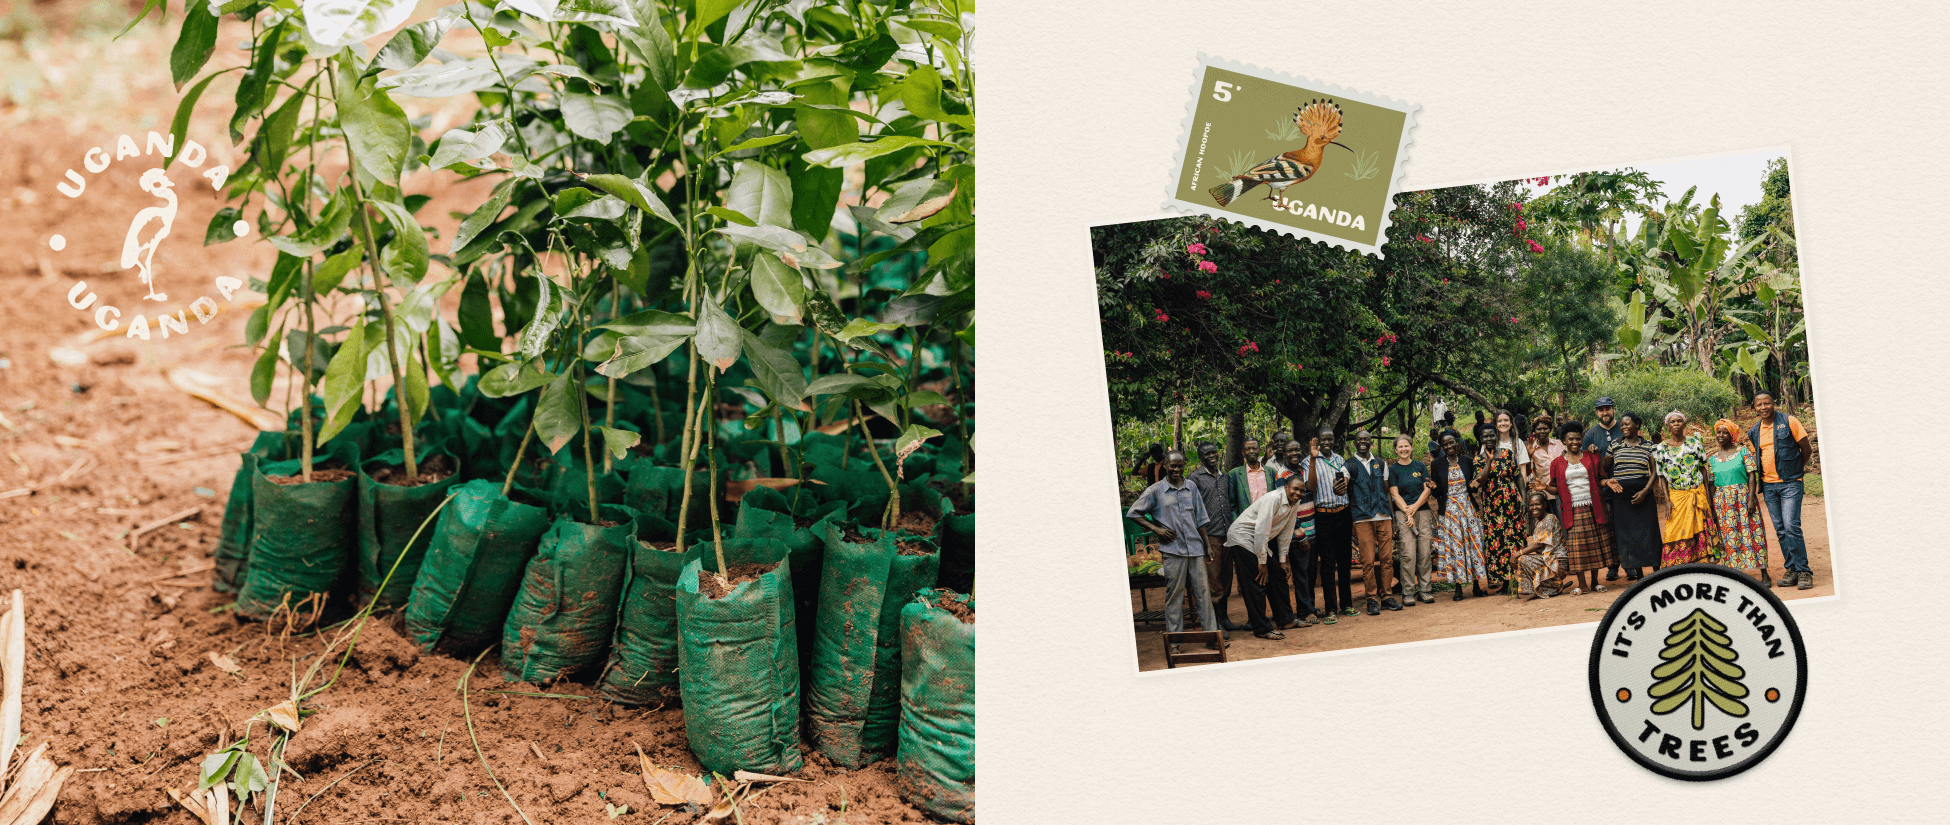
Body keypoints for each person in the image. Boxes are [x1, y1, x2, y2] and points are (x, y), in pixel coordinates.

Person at [1124, 450, 1222, 651]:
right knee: (1175, 596)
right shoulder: (1156, 490)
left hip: (1195, 548)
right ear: (1166, 466)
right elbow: (1133, 512)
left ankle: (1211, 638)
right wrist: (1156, 529)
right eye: (1173, 466)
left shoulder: (1191, 487)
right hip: (1173, 550)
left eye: (1180, 465)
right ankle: (1175, 643)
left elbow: (1200, 519)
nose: (1177, 469)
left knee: (1203, 594)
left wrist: (1207, 546)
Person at [1224, 474, 1311, 640]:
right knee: (1257, 582)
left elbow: (1286, 531)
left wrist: (1283, 560)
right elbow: (1261, 530)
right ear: (1286, 487)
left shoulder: (1295, 503)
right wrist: (1262, 562)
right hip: (1242, 538)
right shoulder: (1273, 499)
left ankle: (1286, 619)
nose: (1298, 493)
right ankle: (1261, 628)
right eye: (1295, 489)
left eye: (1301, 491)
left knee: (1278, 576)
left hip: (1258, 540)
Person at [1747, 392, 1815, 590]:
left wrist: (1795, 471)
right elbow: (1756, 459)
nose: (1763, 407)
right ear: (1755, 407)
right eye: (1759, 405)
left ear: (1773, 403)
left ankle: (1804, 572)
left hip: (1790, 483)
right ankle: (1791, 570)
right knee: (1781, 529)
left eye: (1767, 403)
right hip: (1768, 487)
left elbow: (1806, 449)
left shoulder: (1789, 421)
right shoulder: (1754, 432)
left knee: (1791, 526)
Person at [1549, 420, 1616, 595]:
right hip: (1572, 510)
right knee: (1577, 548)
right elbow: (1555, 488)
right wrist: (1544, 488)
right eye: (1571, 439)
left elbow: (1600, 478)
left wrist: (1607, 482)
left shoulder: (1591, 456)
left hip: (1594, 506)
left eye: (1578, 439)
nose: (1575, 442)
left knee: (1594, 545)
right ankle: (1582, 584)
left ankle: (1595, 582)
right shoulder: (1557, 463)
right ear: (1564, 441)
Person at [1652, 411, 1724, 566]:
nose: (1676, 424)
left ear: (1684, 424)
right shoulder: (1661, 447)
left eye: (1679, 421)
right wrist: (1667, 500)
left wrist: (1708, 498)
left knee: (1702, 529)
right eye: (1672, 422)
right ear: (1667, 426)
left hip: (1698, 494)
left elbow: (1703, 470)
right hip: (1677, 497)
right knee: (1674, 531)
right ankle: (1680, 567)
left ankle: (1705, 565)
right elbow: (1661, 476)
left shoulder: (1695, 442)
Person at [1430, 431, 1491, 599]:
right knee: (1454, 547)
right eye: (1445, 444)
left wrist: (1473, 485)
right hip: (1449, 511)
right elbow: (1437, 492)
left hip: (1468, 508)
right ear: (1441, 447)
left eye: (1451, 442)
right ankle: (1458, 588)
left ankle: (1477, 586)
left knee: (1473, 545)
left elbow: (1473, 487)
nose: (1449, 446)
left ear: (1457, 443)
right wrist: (1434, 488)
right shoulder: (1437, 464)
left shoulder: (1467, 461)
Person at [1187, 442, 1240, 633]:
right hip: (1210, 536)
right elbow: (1192, 509)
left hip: (1227, 535)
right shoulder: (1195, 479)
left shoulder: (1224, 476)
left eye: (1213, 453)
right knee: (1214, 581)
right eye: (1206, 454)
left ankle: (1225, 618)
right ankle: (1216, 623)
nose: (1211, 456)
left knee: (1226, 578)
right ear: (1200, 458)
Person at [1475, 410, 1529, 594]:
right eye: (1485, 437)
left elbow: (1518, 476)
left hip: (1511, 503)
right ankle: (1504, 583)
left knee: (1514, 540)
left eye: (1492, 436)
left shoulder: (1508, 453)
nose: (1489, 439)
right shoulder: (1479, 459)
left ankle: (1518, 579)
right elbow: (1480, 481)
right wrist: (1489, 461)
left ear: (1496, 436)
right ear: (1481, 440)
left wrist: (1524, 498)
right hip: (1492, 507)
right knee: (1497, 543)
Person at [1601, 412, 1661, 581]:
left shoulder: (1648, 445)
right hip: (1621, 496)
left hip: (1643, 494)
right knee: (1629, 536)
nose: (1623, 427)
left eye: (1627, 424)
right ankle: (1640, 577)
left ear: (1637, 425)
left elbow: (1654, 471)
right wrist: (1594, 452)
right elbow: (1604, 466)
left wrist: (1645, 491)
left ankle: (1657, 572)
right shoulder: (1615, 444)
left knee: (1650, 533)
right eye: (1622, 425)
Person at [1710, 419, 1771, 584]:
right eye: (1718, 432)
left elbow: (1751, 475)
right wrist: (1712, 508)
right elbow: (1711, 484)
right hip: (1723, 503)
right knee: (1729, 537)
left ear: (1732, 435)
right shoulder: (1712, 459)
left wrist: (1751, 498)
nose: (1721, 435)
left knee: (1754, 533)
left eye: (1725, 432)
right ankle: (1734, 575)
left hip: (1744, 499)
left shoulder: (1743, 452)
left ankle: (1764, 573)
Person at [1347, 429, 1400, 614]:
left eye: (1366, 439)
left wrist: (1392, 517)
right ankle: (1371, 599)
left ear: (1370, 442)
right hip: (1362, 518)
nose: (1363, 442)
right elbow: (1343, 490)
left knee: (1387, 559)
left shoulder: (1380, 463)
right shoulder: (1349, 465)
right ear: (1354, 442)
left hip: (1383, 516)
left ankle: (1386, 596)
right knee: (1368, 561)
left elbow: (1387, 490)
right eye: (1359, 439)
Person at [1308, 426, 1358, 620]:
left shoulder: (1339, 459)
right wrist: (1313, 459)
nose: (1327, 442)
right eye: (1324, 439)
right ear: (1318, 441)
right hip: (1323, 516)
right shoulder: (1309, 461)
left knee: (1345, 561)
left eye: (1330, 439)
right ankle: (1331, 608)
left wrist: (1343, 485)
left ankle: (1347, 604)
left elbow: (1345, 480)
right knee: (1328, 564)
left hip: (1343, 514)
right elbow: (1311, 487)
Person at [1274, 440, 1320, 625]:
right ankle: (1304, 611)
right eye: (1290, 450)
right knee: (1301, 574)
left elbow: (1312, 489)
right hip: (1297, 535)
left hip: (1312, 530)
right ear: (1284, 453)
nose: (1294, 453)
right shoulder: (1282, 475)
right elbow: (1285, 508)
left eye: (1297, 449)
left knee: (1310, 572)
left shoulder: (1303, 469)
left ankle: (1310, 606)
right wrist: (1300, 534)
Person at [1387, 434, 1436, 605]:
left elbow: (1427, 489)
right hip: (1403, 514)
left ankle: (1425, 590)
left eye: (1406, 446)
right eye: (1400, 447)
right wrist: (1408, 513)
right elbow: (1394, 494)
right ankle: (1408, 592)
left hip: (1422, 512)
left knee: (1424, 552)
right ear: (1396, 450)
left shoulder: (1420, 466)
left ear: (1411, 447)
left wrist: (1414, 508)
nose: (1404, 449)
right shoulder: (1393, 470)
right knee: (1407, 553)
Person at [1583, 397, 1625, 580]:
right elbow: (1584, 462)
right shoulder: (1591, 435)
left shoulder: (1624, 427)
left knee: (1625, 526)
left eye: (1607, 408)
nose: (1604, 412)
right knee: (1608, 529)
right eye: (1601, 410)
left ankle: (1629, 564)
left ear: (1613, 409)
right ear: (1596, 412)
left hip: (1625, 487)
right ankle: (1613, 566)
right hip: (1604, 490)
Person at [1514, 492, 1566, 599]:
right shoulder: (1539, 522)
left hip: (1556, 561)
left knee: (1521, 558)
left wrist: (1517, 554)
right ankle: (1531, 590)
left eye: (1537, 504)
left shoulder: (1550, 518)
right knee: (1523, 559)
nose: (1534, 507)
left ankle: (1553, 586)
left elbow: (1539, 544)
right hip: (1547, 559)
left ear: (1545, 505)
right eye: (1532, 505)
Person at [1524, 412, 1565, 507]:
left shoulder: (1559, 444)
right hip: (1544, 493)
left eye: (1545, 428)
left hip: (1562, 491)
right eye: (1539, 429)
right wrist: (1529, 456)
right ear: (1534, 431)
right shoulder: (1532, 448)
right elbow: (1528, 472)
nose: (1542, 431)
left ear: (1550, 430)